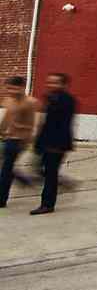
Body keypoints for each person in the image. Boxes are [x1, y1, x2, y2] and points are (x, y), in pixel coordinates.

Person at [31, 72, 76, 214]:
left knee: (50, 175)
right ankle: (63, 182)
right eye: (49, 82)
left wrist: (58, 146)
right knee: (39, 169)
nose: (51, 85)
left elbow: (63, 125)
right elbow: (45, 122)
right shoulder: (50, 98)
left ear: (63, 84)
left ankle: (47, 205)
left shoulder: (67, 101)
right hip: (45, 141)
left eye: (55, 82)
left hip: (57, 144)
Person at [1, 76, 38, 207]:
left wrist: (25, 141)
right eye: (8, 88)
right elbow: (6, 118)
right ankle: (22, 179)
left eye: (13, 88)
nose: (10, 91)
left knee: (5, 168)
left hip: (18, 140)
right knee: (5, 166)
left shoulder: (30, 102)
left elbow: (31, 125)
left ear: (22, 87)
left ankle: (2, 199)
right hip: (7, 138)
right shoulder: (9, 100)